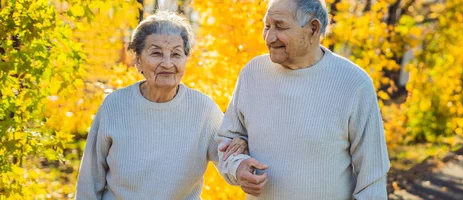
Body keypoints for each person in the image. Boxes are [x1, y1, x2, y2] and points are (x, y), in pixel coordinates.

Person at [218, 0, 390, 199]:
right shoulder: (252, 74)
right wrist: (237, 167)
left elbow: (372, 180)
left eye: (280, 26)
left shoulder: (354, 84)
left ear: (313, 29)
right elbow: (227, 141)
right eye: (266, 26)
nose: (269, 37)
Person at [75, 11, 247, 199]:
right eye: (156, 53)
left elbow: (230, 157)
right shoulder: (114, 106)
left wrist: (243, 156)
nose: (167, 63)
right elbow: (89, 182)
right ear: (138, 60)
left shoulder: (203, 110)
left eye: (176, 54)